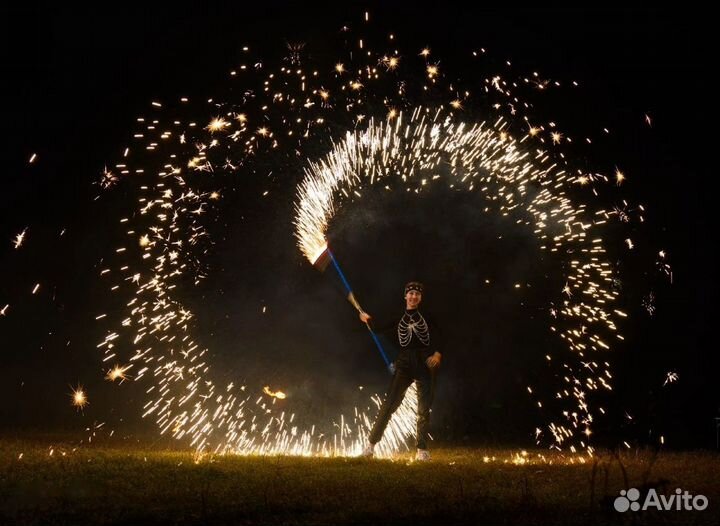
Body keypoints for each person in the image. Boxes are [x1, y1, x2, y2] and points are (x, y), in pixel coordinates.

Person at [359, 281, 442, 461]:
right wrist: (367, 319)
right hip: (404, 363)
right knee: (389, 405)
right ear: (405, 296)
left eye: (417, 294)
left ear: (421, 298)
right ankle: (370, 445)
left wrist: (437, 353)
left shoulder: (427, 315)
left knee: (423, 408)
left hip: (424, 362)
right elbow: (377, 328)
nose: (413, 296)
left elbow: (441, 334)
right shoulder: (398, 315)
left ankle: (421, 449)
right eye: (410, 293)